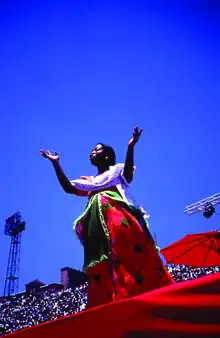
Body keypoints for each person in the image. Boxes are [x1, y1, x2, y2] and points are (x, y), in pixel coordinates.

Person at [40, 126, 174, 308]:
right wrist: (55, 163)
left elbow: (127, 175)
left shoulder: (116, 172)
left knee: (127, 253)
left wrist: (131, 147)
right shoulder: (90, 182)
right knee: (104, 261)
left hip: (118, 218)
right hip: (96, 226)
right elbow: (69, 188)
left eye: (97, 149)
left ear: (107, 156)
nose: (92, 152)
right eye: (92, 150)